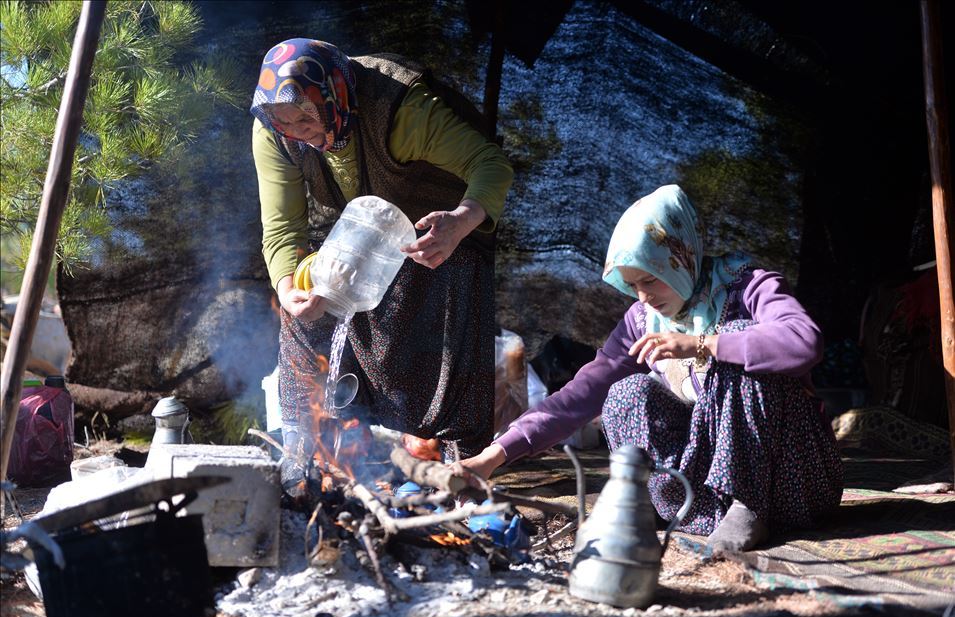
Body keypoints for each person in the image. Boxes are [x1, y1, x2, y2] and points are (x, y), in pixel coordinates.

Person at [455, 184, 843, 552]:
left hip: (790, 481)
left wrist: (704, 344)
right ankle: (672, 505)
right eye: (631, 284)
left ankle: (749, 506)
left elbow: (804, 341)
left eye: (650, 279)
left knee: (738, 338)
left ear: (680, 257)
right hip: (708, 497)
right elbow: (579, 396)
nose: (642, 295)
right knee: (626, 392)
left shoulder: (749, 287)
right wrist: (492, 457)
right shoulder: (642, 320)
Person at [251, 39, 513, 459]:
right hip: (364, 231)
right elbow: (282, 226)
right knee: (303, 304)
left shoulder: (400, 109)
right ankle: (307, 455)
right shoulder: (273, 130)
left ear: (335, 95)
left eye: (306, 116)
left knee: (450, 301)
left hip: (441, 233)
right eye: (286, 122)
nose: (299, 131)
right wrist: (286, 288)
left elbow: (490, 164)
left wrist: (461, 221)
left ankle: (462, 467)